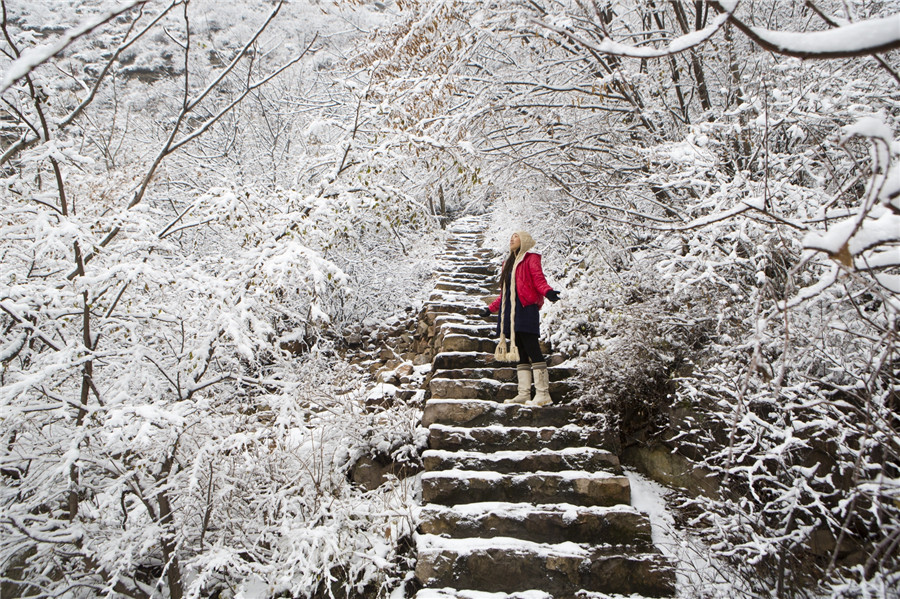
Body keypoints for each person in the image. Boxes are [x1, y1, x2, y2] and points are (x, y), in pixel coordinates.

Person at [480, 231, 561, 407]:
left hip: (526, 308)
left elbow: (539, 280)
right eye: (511, 237)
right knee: (520, 351)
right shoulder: (507, 263)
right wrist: (490, 309)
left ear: (524, 240)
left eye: (516, 237)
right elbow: (504, 294)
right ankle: (524, 394)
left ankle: (543, 394)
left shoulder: (531, 259)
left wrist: (548, 292)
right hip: (510, 311)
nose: (512, 239)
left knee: (532, 348)